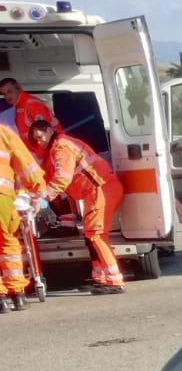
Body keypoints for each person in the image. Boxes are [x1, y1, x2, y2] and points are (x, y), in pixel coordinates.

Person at [28, 120, 125, 293]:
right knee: (91, 236)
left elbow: (62, 178)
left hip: (100, 189)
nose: (39, 141)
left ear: (49, 131)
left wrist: (44, 197)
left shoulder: (61, 147)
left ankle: (115, 281)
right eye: (36, 140)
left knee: (96, 235)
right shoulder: (59, 147)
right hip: (97, 190)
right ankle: (101, 277)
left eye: (40, 136)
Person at [0, 121, 45, 311]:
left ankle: (1, 299)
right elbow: (26, 165)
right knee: (8, 241)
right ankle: (18, 294)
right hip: (3, 195)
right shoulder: (4, 132)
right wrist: (36, 192)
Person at [0, 79, 60, 159]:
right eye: (4, 94)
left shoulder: (33, 105)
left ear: (19, 88)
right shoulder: (19, 107)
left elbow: (46, 136)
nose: (7, 97)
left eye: (9, 91)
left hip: (47, 156)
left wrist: (39, 158)